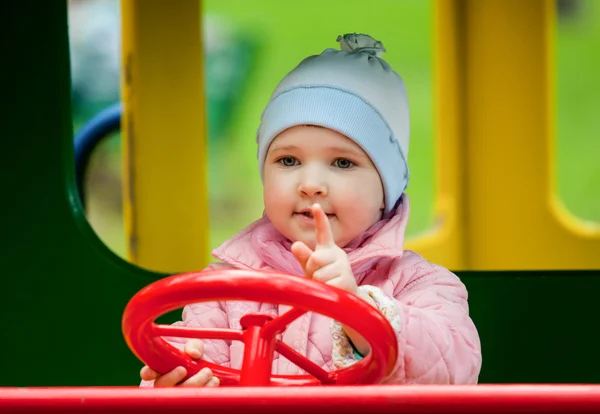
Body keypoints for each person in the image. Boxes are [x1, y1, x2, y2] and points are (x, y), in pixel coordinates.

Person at [140, 33, 482, 388]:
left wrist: (360, 312)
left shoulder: (417, 283)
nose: (310, 183)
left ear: (386, 190)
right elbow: (183, 360)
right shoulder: (226, 287)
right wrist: (174, 385)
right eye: (289, 160)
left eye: (342, 163)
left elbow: (455, 366)